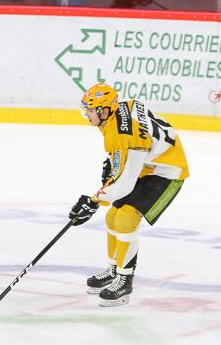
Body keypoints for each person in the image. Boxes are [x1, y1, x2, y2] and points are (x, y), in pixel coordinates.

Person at [69, 83, 189, 307]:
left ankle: (124, 281)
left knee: (126, 218)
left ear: (105, 111)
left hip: (168, 172)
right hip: (148, 165)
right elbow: (129, 157)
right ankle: (114, 270)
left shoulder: (123, 134)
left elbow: (124, 185)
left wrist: (93, 200)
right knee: (112, 217)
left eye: (90, 110)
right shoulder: (118, 112)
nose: (86, 114)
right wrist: (114, 165)